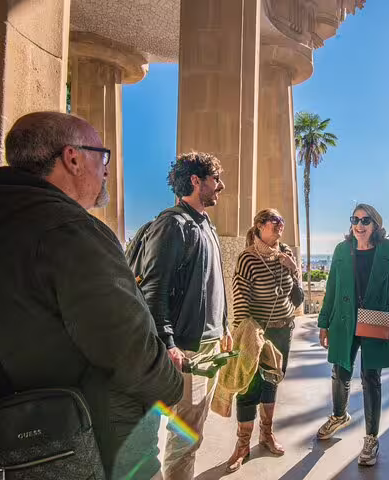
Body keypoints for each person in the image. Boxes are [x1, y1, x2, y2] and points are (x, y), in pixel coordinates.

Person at [0, 111, 183, 478]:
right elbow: (124, 345)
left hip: (15, 444)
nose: (106, 170)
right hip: (98, 445)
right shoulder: (69, 229)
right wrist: (171, 385)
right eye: (101, 156)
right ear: (72, 158)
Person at [134, 152, 233, 480]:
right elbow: (154, 288)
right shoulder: (173, 223)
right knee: (185, 432)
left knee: (192, 429)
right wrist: (169, 343)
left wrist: (225, 326)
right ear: (195, 180)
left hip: (209, 344)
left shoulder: (205, 224)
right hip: (189, 350)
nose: (220, 186)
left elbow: (214, 281)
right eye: (215, 179)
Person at [316, 204, 389, 466]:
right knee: (340, 369)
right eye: (355, 219)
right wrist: (324, 323)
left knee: (371, 377)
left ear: (375, 225)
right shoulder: (342, 250)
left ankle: (371, 437)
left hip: (376, 319)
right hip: (345, 319)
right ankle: (338, 415)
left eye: (365, 220)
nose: (359, 225)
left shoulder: (387, 250)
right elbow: (332, 287)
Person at [225, 208, 304, 472]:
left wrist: (293, 271)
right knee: (249, 386)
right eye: (275, 221)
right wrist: (246, 335)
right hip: (257, 333)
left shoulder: (287, 255)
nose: (280, 225)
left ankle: (266, 434)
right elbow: (240, 300)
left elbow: (298, 300)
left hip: (284, 331)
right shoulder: (248, 258)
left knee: (272, 382)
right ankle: (242, 444)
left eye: (282, 221)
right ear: (259, 226)